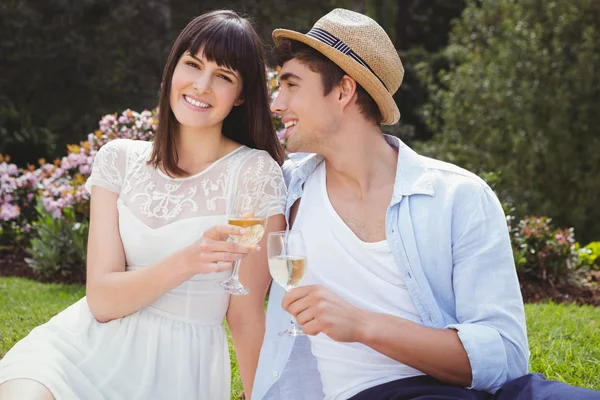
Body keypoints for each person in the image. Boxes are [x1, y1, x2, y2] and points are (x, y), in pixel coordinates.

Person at [252, 8, 600, 400]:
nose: (277, 103)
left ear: (344, 90)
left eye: (291, 85)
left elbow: (503, 355)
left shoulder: (460, 197)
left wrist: (363, 325)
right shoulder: (283, 190)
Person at [0, 10, 286, 400]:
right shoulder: (118, 159)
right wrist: (191, 259)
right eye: (193, 64)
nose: (202, 85)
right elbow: (101, 301)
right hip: (77, 351)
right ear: (172, 70)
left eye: (223, 76)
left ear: (241, 96)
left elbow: (245, 314)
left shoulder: (255, 173)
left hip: (177, 368)